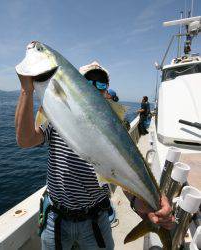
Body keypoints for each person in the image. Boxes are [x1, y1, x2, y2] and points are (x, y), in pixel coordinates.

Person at [15, 57, 173, 250]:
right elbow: (26, 140)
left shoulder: (116, 129)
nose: (94, 86)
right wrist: (26, 90)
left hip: (96, 220)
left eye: (101, 82)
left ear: (106, 90)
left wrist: (145, 201)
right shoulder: (57, 117)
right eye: (88, 81)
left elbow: (121, 170)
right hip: (55, 219)